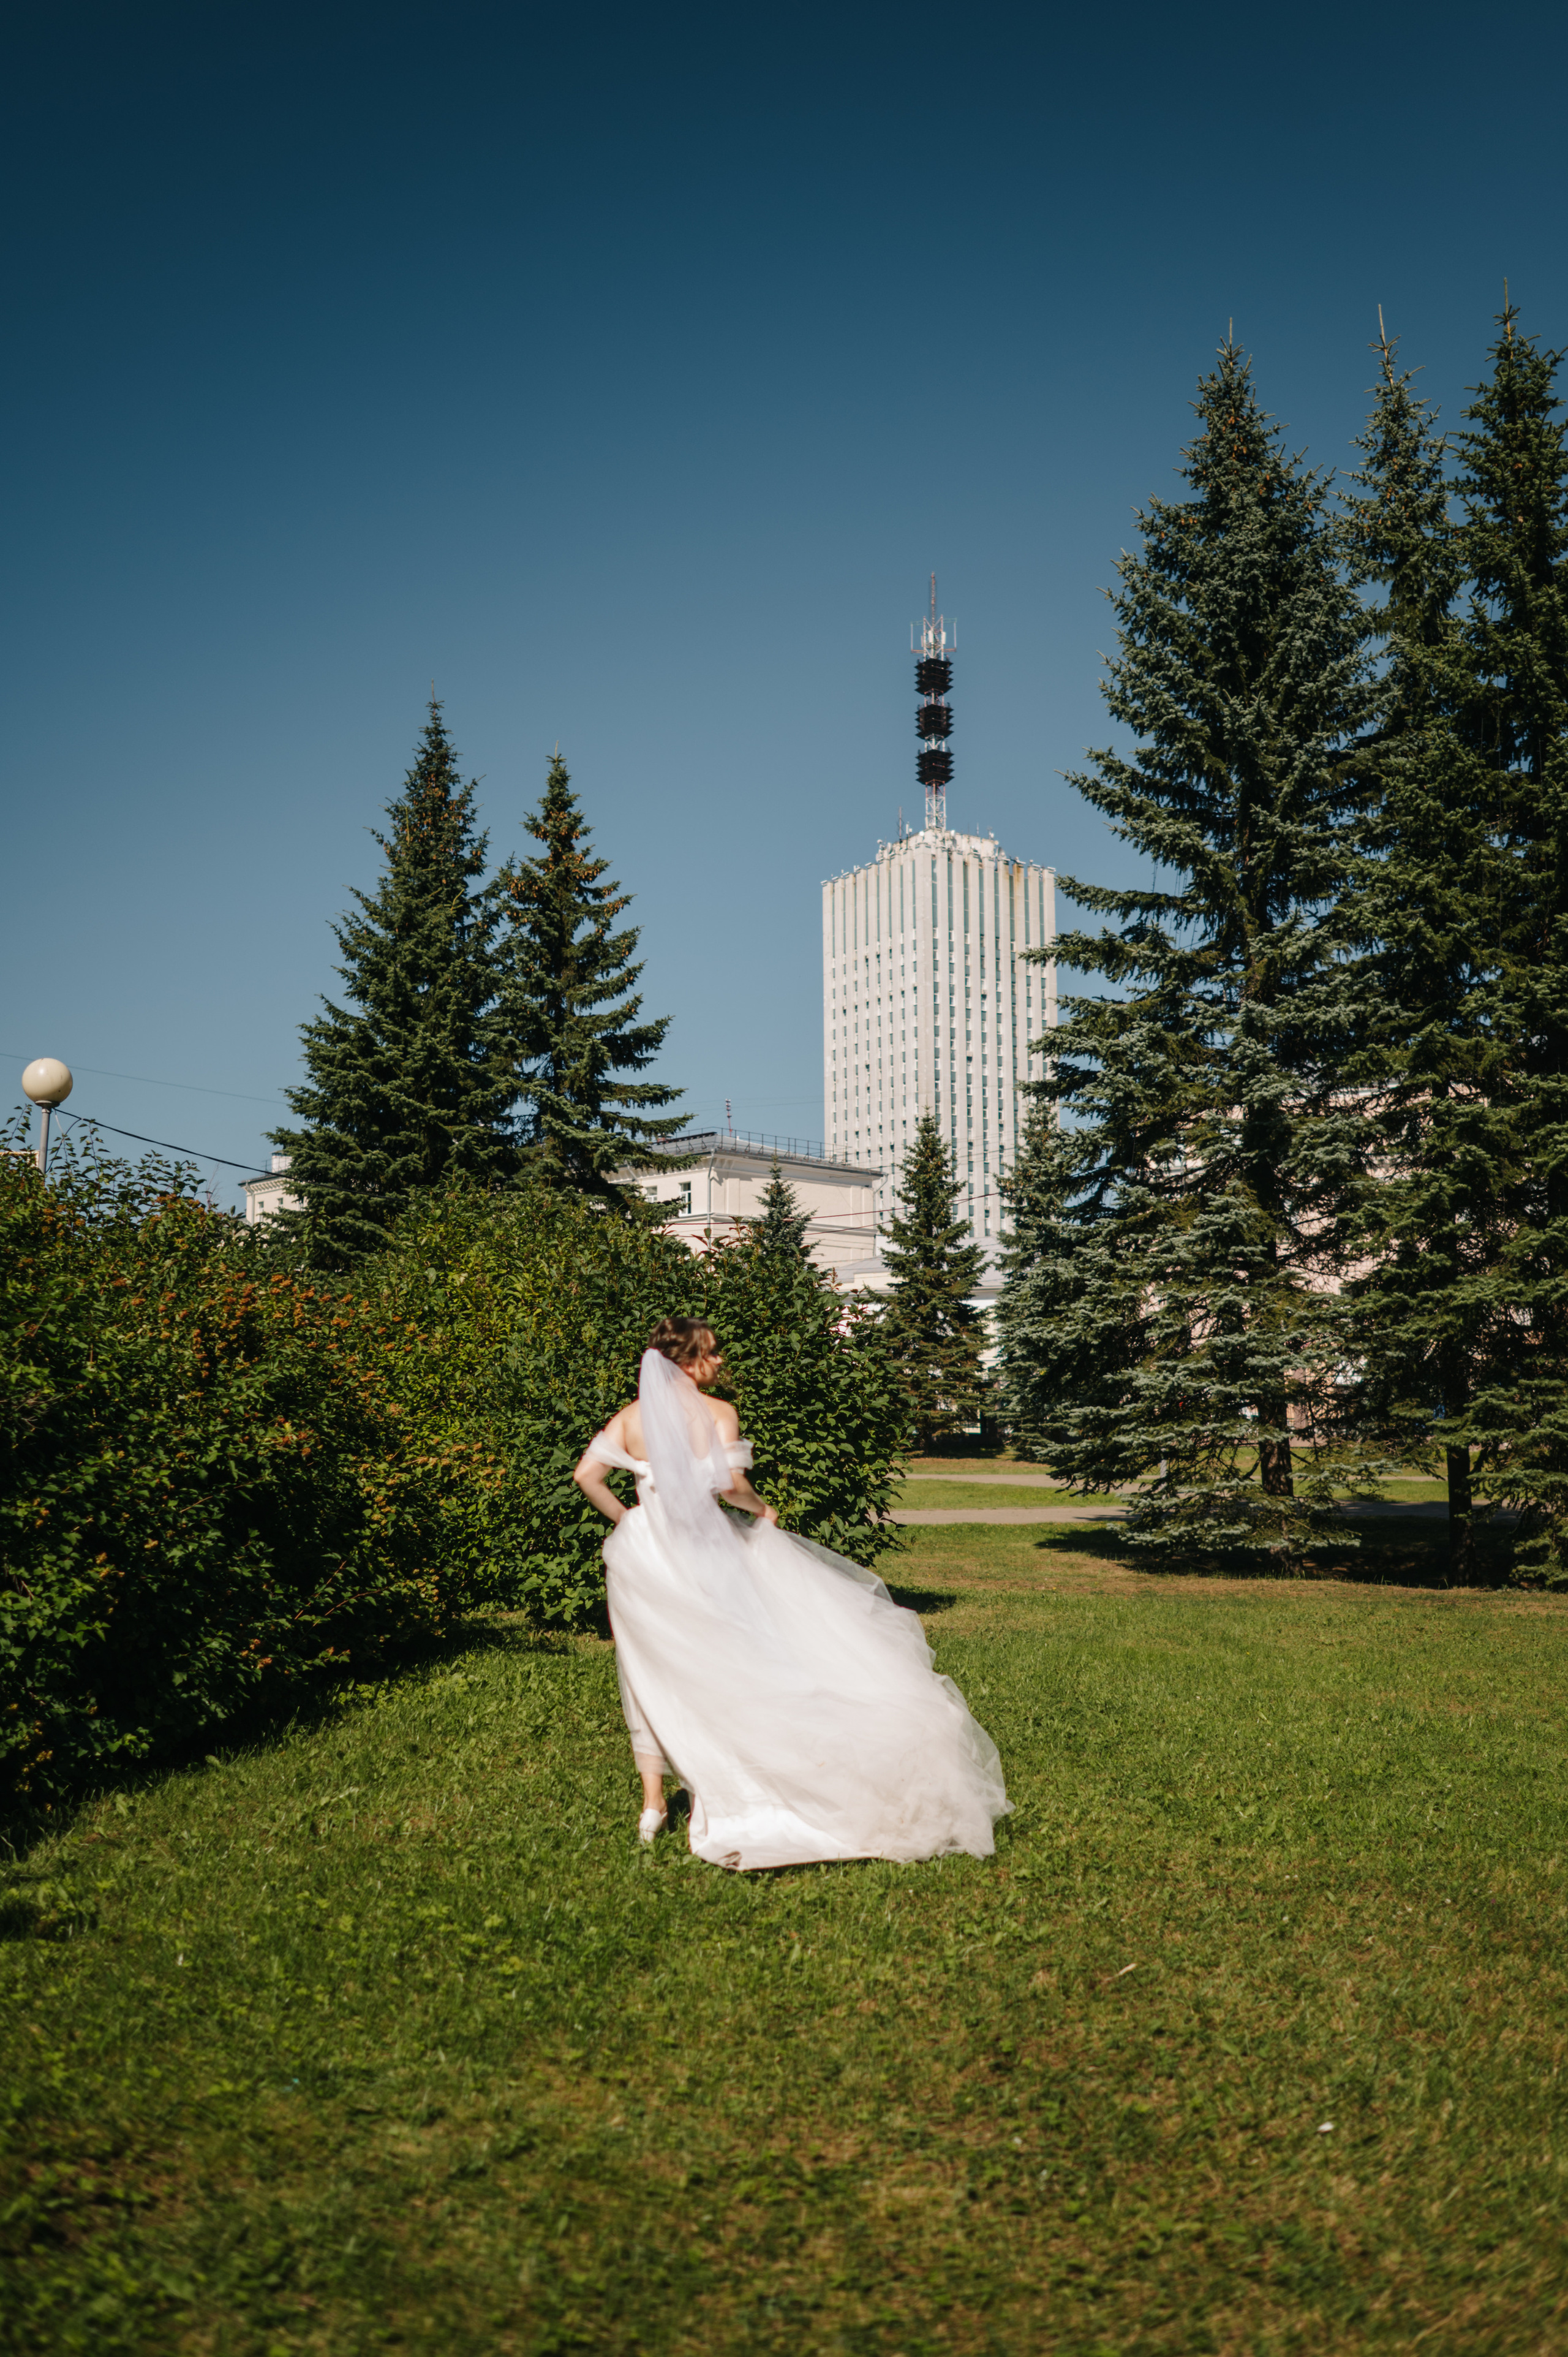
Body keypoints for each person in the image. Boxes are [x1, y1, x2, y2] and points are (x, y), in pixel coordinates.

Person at [572, 1315, 1010, 1869]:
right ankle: (748, 1780)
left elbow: (588, 1475)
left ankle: (653, 1806)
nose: (720, 1360)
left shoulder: (630, 1419)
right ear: (686, 1362)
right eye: (712, 1352)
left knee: (647, 1672)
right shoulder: (717, 1414)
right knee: (739, 1664)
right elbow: (730, 1486)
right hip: (704, 1556)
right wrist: (763, 1510)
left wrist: (629, 1522)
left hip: (644, 1559)